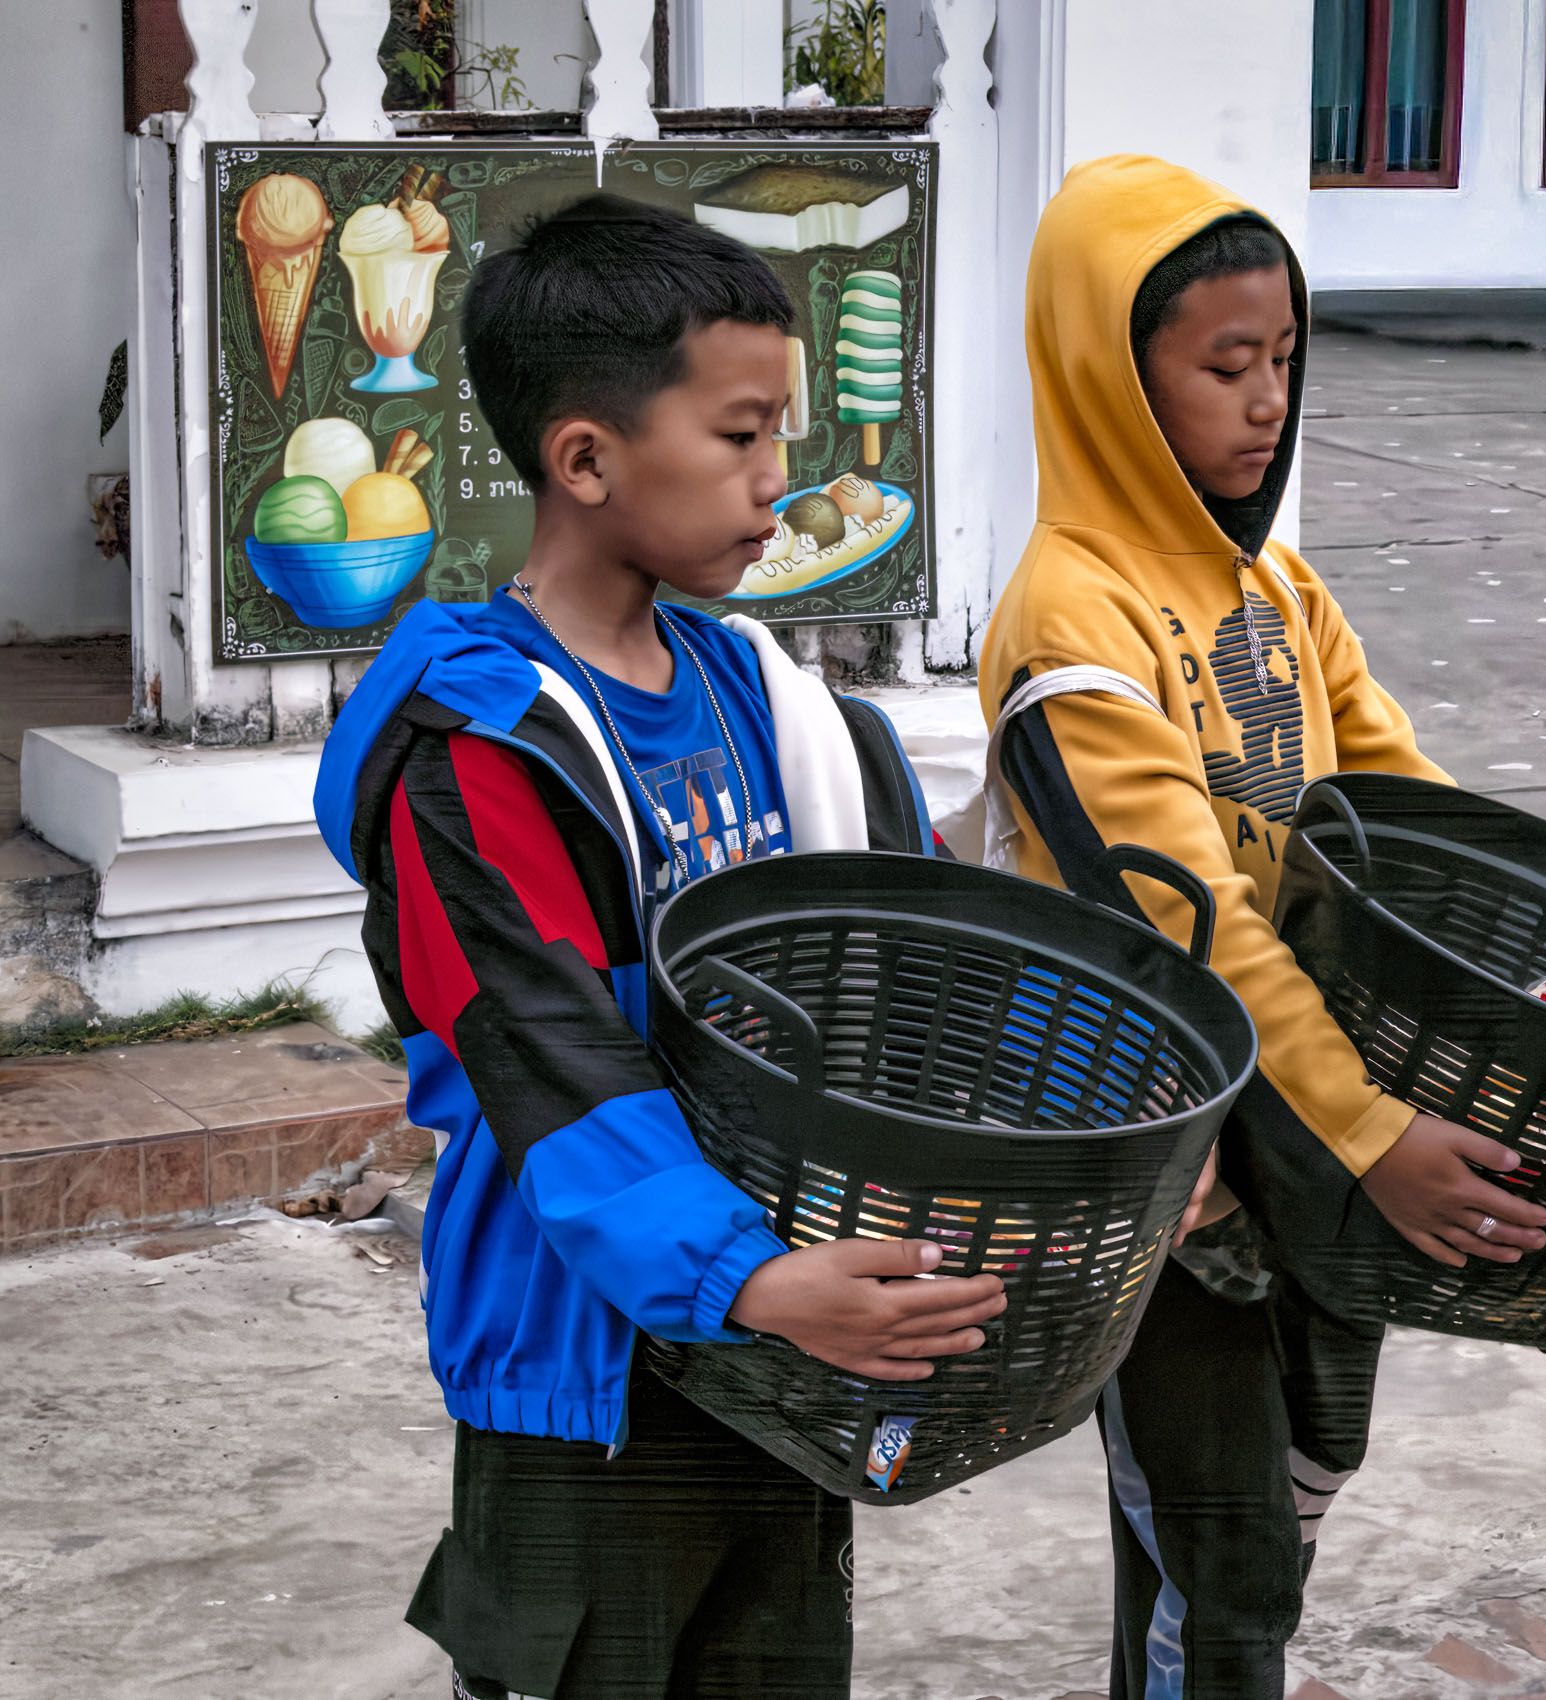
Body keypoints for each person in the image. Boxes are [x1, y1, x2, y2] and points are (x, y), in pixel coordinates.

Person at [312, 194, 1006, 1700]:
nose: (778, 480)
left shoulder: (776, 703)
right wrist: (742, 1274)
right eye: (741, 436)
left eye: (781, 436)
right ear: (586, 460)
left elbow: (925, 949)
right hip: (590, 1380)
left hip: (783, 1348)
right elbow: (548, 1060)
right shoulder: (479, 752)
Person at [976, 154, 1546, 1697]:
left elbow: (1417, 823)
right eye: (1223, 366)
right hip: (1166, 1172)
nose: (1266, 401)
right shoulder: (1069, 617)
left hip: (1305, 1135)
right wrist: (1374, 1135)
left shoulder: (1278, 593)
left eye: (1284, 358)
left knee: (1263, 1517)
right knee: (1225, 1571)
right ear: (1109, 379)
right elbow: (1197, 927)